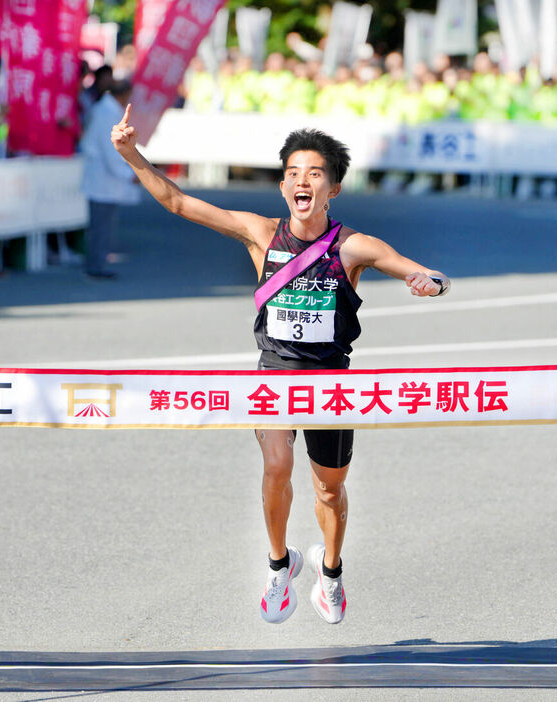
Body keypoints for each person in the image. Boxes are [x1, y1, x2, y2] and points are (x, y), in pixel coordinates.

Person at [111, 107, 451, 624]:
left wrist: (431, 281)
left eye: (314, 173)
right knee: (276, 466)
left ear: (332, 188)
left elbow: (422, 271)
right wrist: (132, 154)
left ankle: (330, 573)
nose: (302, 181)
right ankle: (279, 565)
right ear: (282, 185)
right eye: (293, 172)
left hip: (331, 379)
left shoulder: (352, 246)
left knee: (329, 488)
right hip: (276, 372)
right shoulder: (261, 233)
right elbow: (178, 201)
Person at [80, 79, 140, 278]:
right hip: (102, 177)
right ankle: (96, 266)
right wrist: (130, 174)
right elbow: (110, 150)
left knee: (102, 225)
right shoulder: (107, 114)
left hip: (103, 177)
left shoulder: (105, 110)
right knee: (101, 226)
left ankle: (98, 264)